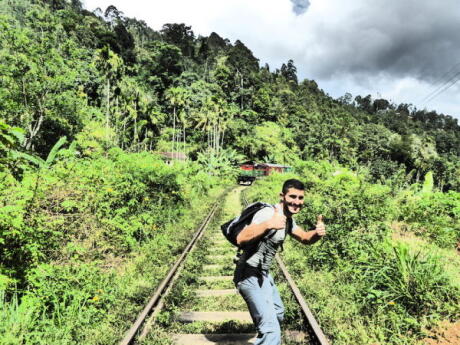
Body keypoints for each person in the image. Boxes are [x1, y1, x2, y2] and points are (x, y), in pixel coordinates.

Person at [234, 178, 326, 345]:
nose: (296, 202)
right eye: (292, 197)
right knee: (271, 331)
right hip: (248, 275)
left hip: (263, 275)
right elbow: (241, 238)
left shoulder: (287, 218)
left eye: (300, 198)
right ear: (282, 196)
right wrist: (269, 224)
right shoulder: (269, 214)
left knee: (278, 313)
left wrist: (316, 234)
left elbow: (304, 238)